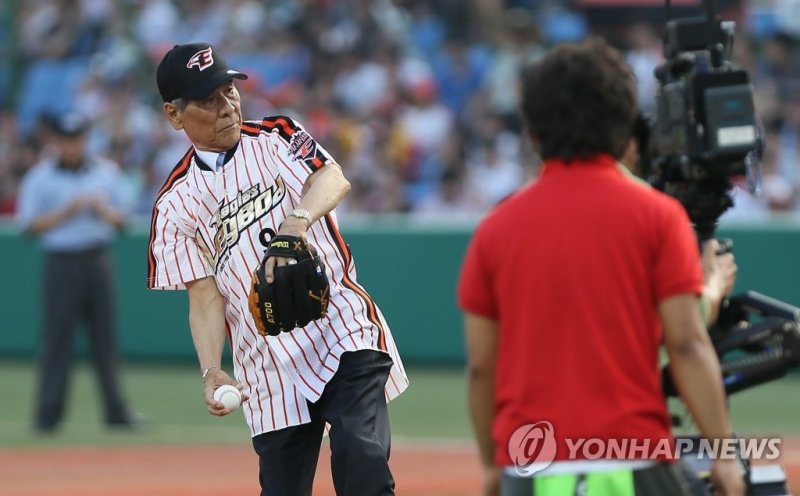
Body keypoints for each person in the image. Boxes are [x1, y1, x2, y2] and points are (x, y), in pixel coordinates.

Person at [457, 38, 745, 496]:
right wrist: (725, 456)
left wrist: (493, 466)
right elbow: (687, 344)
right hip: (637, 461)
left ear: (532, 131)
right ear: (625, 129)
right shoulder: (658, 216)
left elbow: (480, 369)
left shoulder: (494, 230)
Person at [147, 43, 408, 496]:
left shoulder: (277, 135)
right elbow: (205, 296)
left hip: (339, 328)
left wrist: (297, 222)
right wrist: (211, 369)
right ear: (175, 114)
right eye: (209, 100)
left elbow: (333, 178)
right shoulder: (174, 206)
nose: (227, 106)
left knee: (359, 453)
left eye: (229, 91)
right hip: (264, 363)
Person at [16, 112, 141, 433]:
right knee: (57, 339)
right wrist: (66, 212)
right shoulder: (40, 177)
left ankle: (116, 412)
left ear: (86, 139)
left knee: (105, 338)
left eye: (79, 139)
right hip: (61, 261)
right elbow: (28, 225)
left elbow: (125, 221)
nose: (74, 146)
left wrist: (102, 211)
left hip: (97, 259)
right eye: (68, 140)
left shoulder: (106, 173)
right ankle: (48, 415)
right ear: (56, 142)